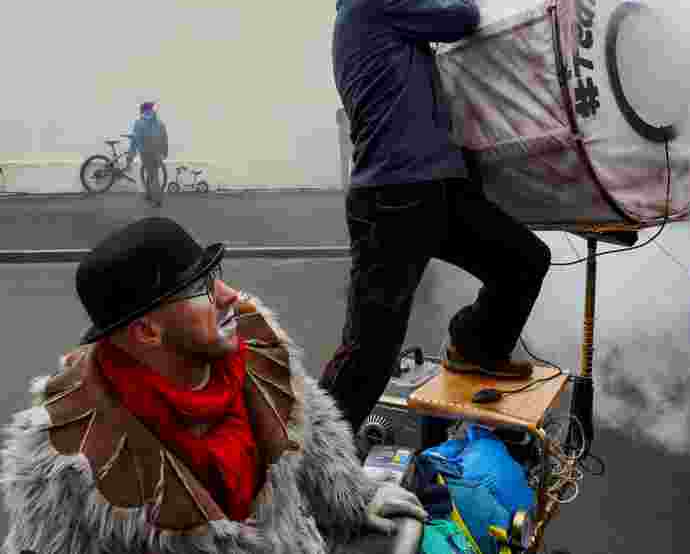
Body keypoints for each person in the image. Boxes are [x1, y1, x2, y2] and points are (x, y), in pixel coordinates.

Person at [0, 217, 430, 554]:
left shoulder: (259, 356)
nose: (229, 296)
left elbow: (311, 428)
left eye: (215, 274)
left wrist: (355, 499)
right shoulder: (67, 458)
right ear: (148, 333)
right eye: (201, 288)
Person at [325, 0, 552, 433]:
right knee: (370, 354)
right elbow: (459, 20)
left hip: (435, 189)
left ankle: (475, 346)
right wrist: (464, 0)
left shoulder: (385, 14)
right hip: (392, 199)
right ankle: (314, 459)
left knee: (523, 261)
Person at [127, 100, 169, 206]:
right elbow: (165, 139)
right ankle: (149, 194)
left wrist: (131, 155)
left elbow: (135, 140)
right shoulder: (160, 123)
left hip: (146, 153)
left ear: (143, 110)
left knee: (153, 176)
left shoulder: (139, 123)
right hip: (158, 153)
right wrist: (164, 153)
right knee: (152, 174)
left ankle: (157, 200)